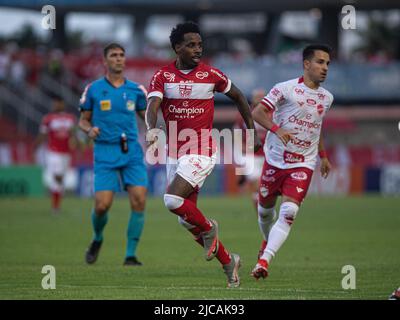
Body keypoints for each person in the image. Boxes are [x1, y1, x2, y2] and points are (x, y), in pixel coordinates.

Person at [145, 21, 262, 288]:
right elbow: (152, 104)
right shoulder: (163, 76)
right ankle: (229, 262)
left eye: (200, 44)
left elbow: (240, 97)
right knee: (185, 221)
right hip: (174, 153)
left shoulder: (211, 74)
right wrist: (151, 128)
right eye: (191, 44)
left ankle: (210, 228)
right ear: (177, 48)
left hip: (201, 149)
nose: (198, 49)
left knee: (172, 200)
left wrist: (252, 131)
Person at [251, 44, 333, 279]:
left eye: (327, 63)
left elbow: (317, 128)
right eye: (320, 62)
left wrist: (323, 156)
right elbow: (258, 112)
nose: (324, 68)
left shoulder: (327, 98)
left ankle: (264, 261)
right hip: (275, 161)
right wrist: (276, 129)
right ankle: (266, 242)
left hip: (302, 163)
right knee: (265, 213)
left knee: (288, 212)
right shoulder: (284, 89)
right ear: (306, 64)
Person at [78, 43, 148, 266]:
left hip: (131, 152)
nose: (118, 59)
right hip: (105, 151)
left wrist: (155, 130)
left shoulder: (137, 90)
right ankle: (97, 238)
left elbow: (148, 116)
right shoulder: (94, 89)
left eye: (121, 55)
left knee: (139, 200)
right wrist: (89, 130)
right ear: (105, 61)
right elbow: (83, 119)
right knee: (102, 205)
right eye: (114, 56)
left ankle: (130, 254)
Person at [34, 95, 77, 213]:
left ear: (63, 104)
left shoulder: (70, 118)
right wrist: (35, 147)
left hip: (66, 153)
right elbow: (42, 134)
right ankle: (55, 207)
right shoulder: (48, 118)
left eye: (59, 103)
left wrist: (77, 144)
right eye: (55, 103)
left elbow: (73, 134)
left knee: (61, 179)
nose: (56, 105)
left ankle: (56, 203)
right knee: (57, 177)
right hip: (53, 152)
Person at [233, 88, 267, 210]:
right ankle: (260, 214)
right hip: (251, 156)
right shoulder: (244, 114)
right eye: (258, 97)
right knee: (257, 184)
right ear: (252, 99)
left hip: (267, 156)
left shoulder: (273, 114)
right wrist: (242, 148)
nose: (260, 99)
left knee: (264, 188)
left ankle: (262, 210)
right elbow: (237, 135)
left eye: (262, 97)